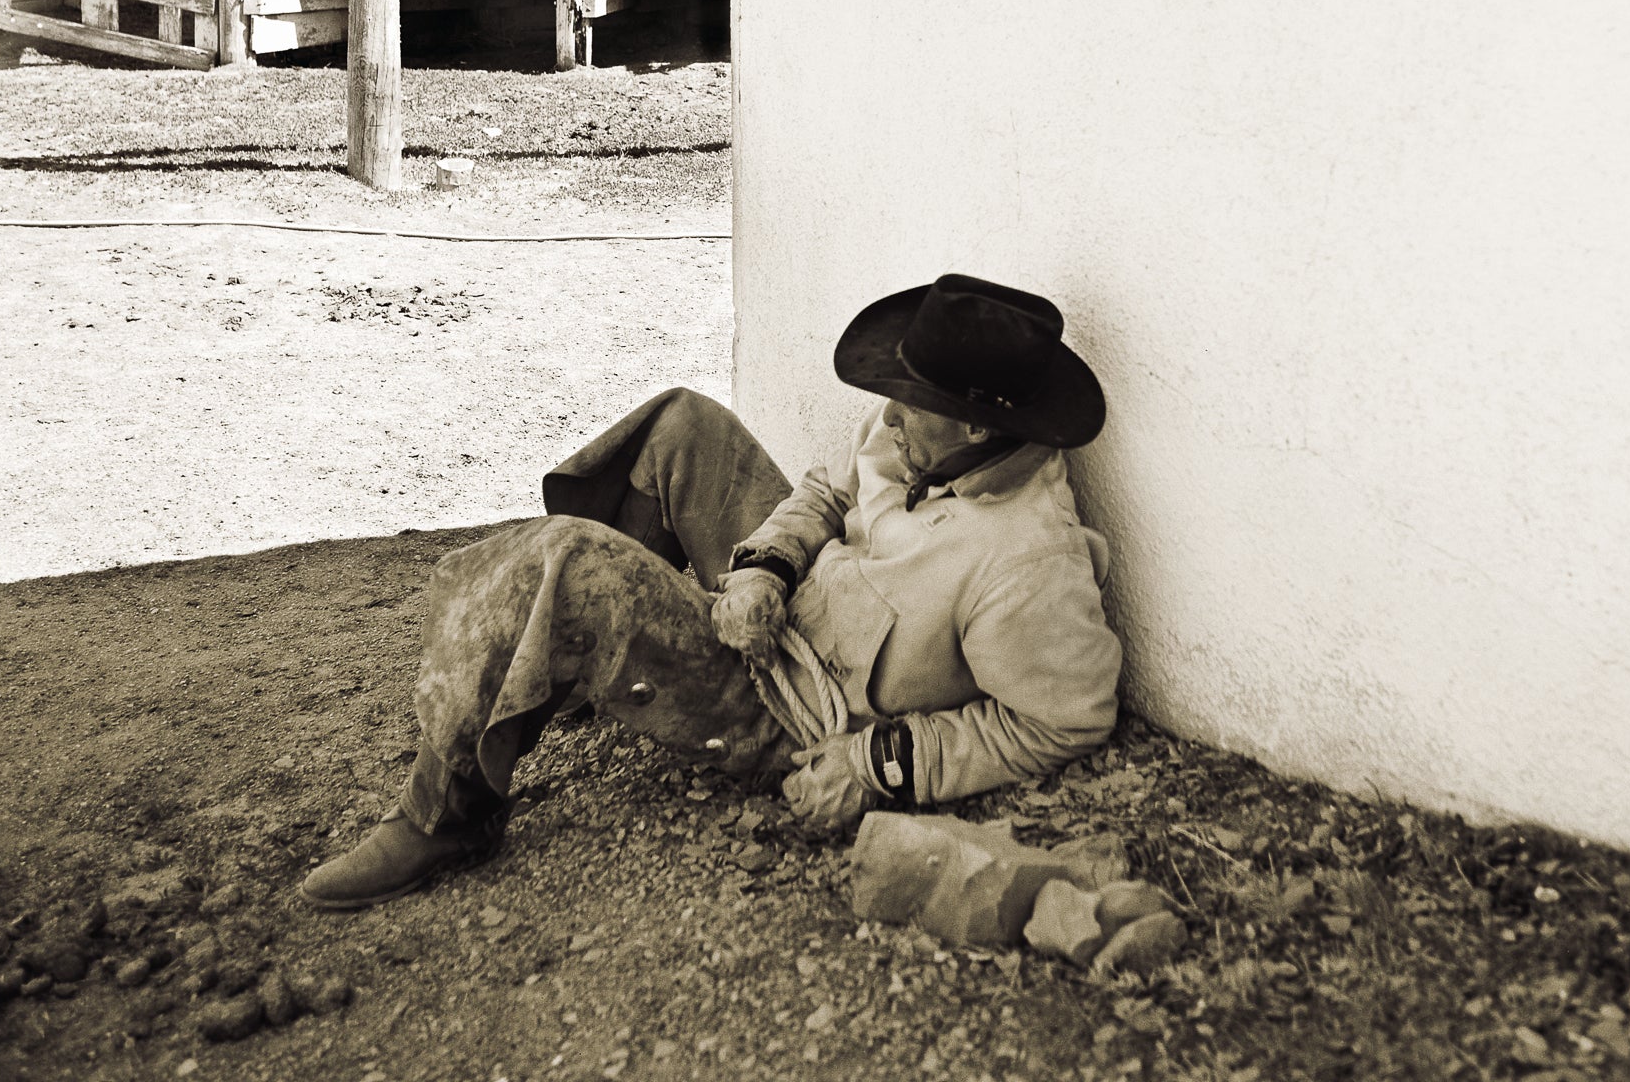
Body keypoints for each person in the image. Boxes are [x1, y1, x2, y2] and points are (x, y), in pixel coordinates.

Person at [301, 272, 1123, 910]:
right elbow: (828, 494)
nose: (886, 416)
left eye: (910, 406)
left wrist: (877, 767)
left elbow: (1061, 723)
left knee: (568, 559)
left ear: (978, 427)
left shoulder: (1027, 561)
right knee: (682, 422)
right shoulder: (921, 437)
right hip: (778, 611)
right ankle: (574, 654)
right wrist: (766, 565)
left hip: (790, 707)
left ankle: (445, 818)